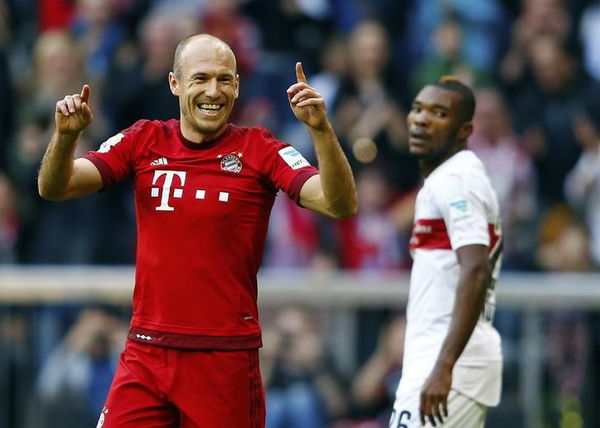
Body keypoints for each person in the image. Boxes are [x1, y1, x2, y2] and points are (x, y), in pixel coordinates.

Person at [37, 33, 357, 428]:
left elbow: (339, 204)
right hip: (146, 352)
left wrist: (322, 131)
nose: (214, 91)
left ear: (238, 86)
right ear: (175, 84)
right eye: (200, 78)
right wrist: (66, 137)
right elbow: (56, 186)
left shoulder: (261, 150)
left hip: (223, 359)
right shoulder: (143, 139)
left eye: (225, 79)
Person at [389, 77, 502, 428]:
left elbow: (476, 269)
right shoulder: (446, 178)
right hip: (443, 361)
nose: (421, 119)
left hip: (448, 366)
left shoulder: (457, 181)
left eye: (439, 113)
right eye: (417, 109)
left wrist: (443, 367)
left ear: (463, 130)